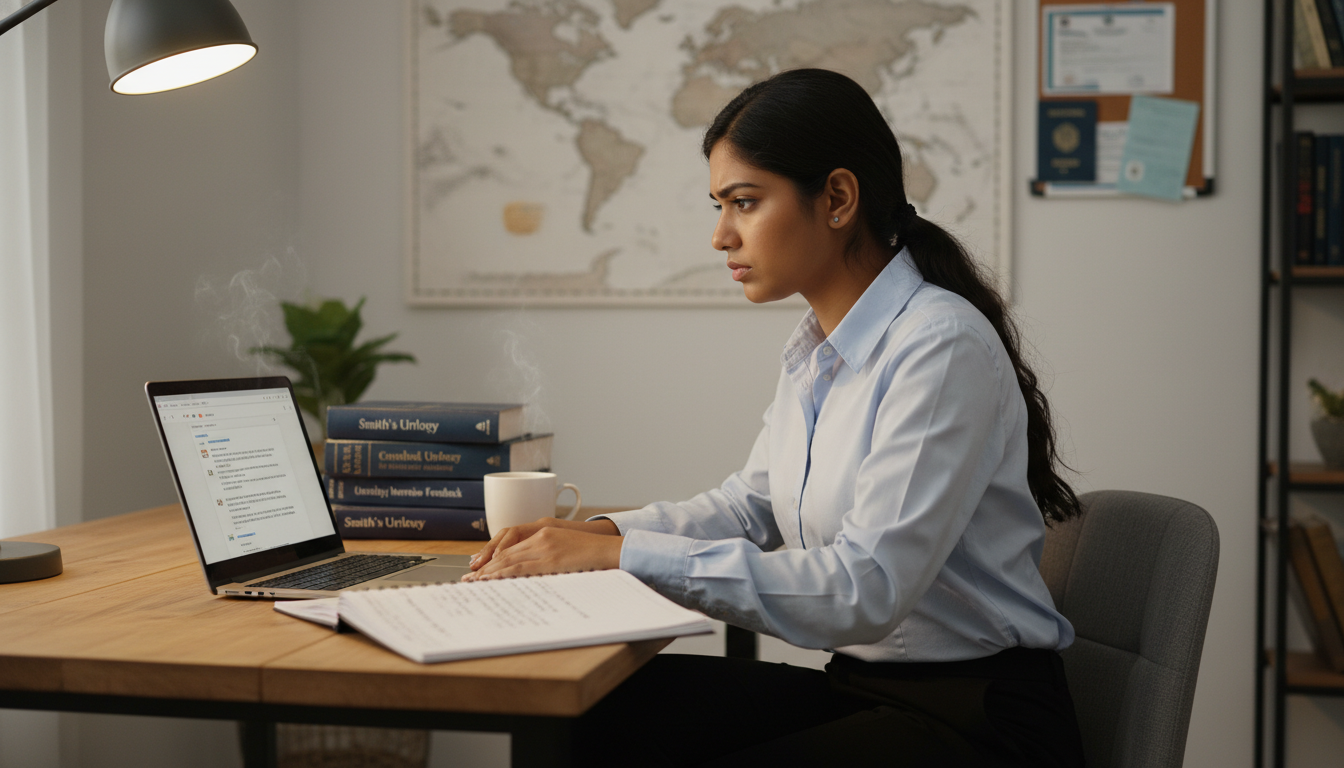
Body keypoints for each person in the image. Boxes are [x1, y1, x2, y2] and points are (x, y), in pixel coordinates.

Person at [463, 68, 1086, 767]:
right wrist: (598, 533)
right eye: (719, 205)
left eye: (744, 202)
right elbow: (750, 504)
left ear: (838, 198)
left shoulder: (939, 347)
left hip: (979, 722)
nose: (720, 236)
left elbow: (867, 588)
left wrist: (621, 556)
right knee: (599, 712)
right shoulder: (817, 349)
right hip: (865, 688)